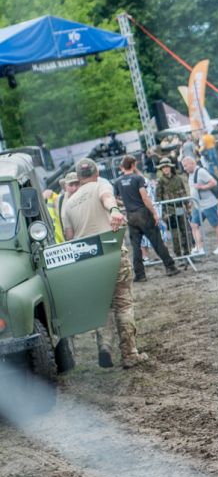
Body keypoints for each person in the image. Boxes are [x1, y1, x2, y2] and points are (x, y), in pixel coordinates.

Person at [61, 157, 147, 369]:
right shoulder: (101, 185)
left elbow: (69, 237)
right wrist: (114, 210)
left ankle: (104, 347)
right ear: (96, 172)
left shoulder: (68, 203)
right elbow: (107, 198)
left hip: (88, 261)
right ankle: (129, 354)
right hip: (112, 253)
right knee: (123, 304)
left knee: (102, 307)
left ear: (78, 178)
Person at [113, 155, 180, 281]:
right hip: (143, 213)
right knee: (157, 242)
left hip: (131, 215)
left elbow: (115, 199)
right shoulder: (137, 178)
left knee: (136, 246)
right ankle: (170, 267)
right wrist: (154, 213)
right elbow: (145, 197)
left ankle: (140, 275)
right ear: (133, 165)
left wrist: (126, 203)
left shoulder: (117, 181)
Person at [182, 155, 218, 255]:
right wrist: (191, 201)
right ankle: (200, 248)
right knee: (194, 225)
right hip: (198, 205)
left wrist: (202, 187)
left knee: (215, 225)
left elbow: (214, 182)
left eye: (185, 166)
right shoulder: (190, 174)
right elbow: (193, 188)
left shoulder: (201, 171)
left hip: (209, 204)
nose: (184, 168)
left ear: (192, 163)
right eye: (183, 166)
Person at [154, 157, 191, 256]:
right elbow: (158, 199)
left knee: (185, 231)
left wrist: (188, 207)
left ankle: (188, 253)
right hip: (169, 210)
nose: (166, 169)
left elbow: (183, 192)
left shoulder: (178, 179)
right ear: (161, 169)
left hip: (180, 208)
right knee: (175, 235)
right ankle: (178, 254)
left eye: (167, 167)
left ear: (170, 167)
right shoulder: (160, 181)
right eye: (163, 167)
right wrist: (163, 213)